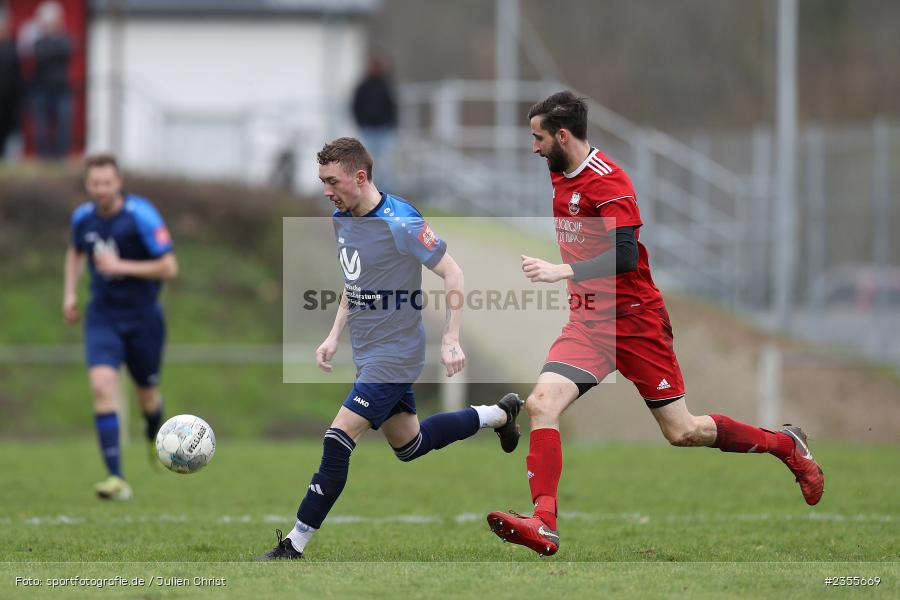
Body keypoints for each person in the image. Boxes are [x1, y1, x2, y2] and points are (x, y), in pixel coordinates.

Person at [485, 91, 825, 556]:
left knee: (682, 431)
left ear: (562, 136)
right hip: (588, 324)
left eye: (538, 138)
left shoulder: (610, 181)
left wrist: (562, 270)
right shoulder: (560, 171)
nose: (533, 148)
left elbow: (626, 256)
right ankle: (544, 522)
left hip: (635, 321)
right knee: (542, 404)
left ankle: (785, 445)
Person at [258, 137, 524, 560]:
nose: (326, 190)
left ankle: (295, 543)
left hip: (397, 354)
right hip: (369, 354)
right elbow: (354, 283)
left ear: (360, 177)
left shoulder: (401, 222)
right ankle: (498, 415)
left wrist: (450, 338)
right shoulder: (342, 219)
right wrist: (333, 334)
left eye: (332, 181)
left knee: (337, 438)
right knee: (410, 445)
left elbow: (453, 274)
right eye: (322, 181)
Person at [64, 154, 178, 501]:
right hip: (102, 315)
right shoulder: (82, 218)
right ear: (88, 184)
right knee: (102, 386)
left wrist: (120, 266)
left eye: (107, 183)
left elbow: (169, 267)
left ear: (118, 182)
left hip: (144, 316)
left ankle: (154, 434)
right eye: (95, 183)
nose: (101, 189)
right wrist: (70, 294)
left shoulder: (141, 215)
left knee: (147, 396)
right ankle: (115, 477)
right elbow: (75, 252)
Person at [30, 0, 72, 158]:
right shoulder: (38, 41)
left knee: (63, 125)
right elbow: (40, 55)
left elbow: (65, 51)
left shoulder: (65, 39)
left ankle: (61, 156)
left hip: (62, 89)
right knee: (41, 126)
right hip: (42, 89)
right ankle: (43, 156)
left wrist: (51, 46)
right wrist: (53, 47)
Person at [351, 56, 398, 190]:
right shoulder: (363, 86)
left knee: (386, 163)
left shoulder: (386, 85)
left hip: (384, 130)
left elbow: (392, 106)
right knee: (367, 162)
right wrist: (361, 124)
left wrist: (391, 124)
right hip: (368, 130)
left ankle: (386, 191)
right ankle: (368, 189)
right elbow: (356, 106)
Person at [0, 13, 22, 158]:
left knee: (10, 128)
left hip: (10, 98)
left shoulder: (12, 48)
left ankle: (10, 158)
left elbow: (16, 75)